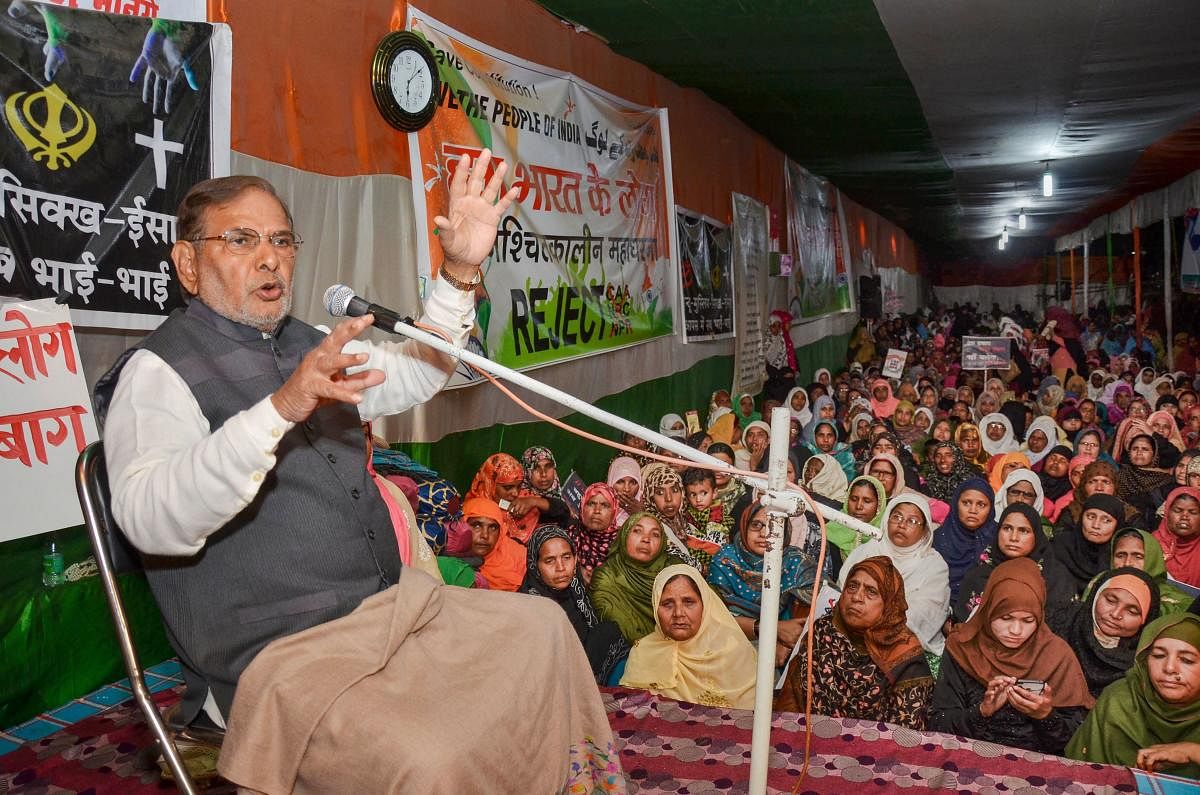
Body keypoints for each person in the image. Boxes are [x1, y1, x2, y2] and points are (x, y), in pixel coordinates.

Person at [97, 166, 618, 790]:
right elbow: (152, 521)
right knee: (430, 759)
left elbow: (419, 372)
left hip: (388, 612)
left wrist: (458, 274)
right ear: (187, 263)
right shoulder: (156, 374)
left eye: (282, 241)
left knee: (544, 630)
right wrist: (280, 409)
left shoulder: (309, 342)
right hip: (280, 659)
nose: (269, 259)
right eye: (241, 240)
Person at [929, 558, 1094, 755]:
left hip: (1036, 767)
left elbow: (1078, 743)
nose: (1016, 630)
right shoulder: (963, 647)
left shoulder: (1056, 657)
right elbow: (938, 724)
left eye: (1028, 620)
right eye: (1005, 618)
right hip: (968, 757)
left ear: (1039, 618)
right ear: (988, 610)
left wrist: (1045, 715)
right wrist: (981, 711)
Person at [775, 556, 934, 729]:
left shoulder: (905, 654)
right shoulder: (823, 631)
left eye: (871, 592)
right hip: (809, 741)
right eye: (852, 586)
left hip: (876, 751)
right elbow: (791, 702)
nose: (857, 597)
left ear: (889, 605)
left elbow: (906, 734)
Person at [1066, 613, 1200, 779]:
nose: (1169, 667)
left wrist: (1193, 752)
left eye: (1187, 660)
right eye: (1158, 655)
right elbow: (1082, 777)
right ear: (1144, 661)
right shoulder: (1121, 699)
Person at [620, 565, 758, 709]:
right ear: (655, 608)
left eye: (688, 602)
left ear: (705, 605)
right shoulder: (644, 652)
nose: (678, 613)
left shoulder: (733, 650)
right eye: (667, 604)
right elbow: (634, 715)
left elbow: (751, 716)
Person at [839, 493, 950, 656]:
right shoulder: (868, 550)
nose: (902, 525)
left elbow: (924, 614)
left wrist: (874, 622)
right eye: (896, 517)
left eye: (912, 521)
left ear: (925, 530)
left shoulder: (934, 566)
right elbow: (843, 591)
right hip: (851, 630)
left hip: (900, 642)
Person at [707, 502, 816, 667]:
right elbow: (713, 618)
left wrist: (787, 644)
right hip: (729, 643)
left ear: (785, 531)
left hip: (788, 648)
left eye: (774, 527)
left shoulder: (797, 563)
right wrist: (773, 630)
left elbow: (820, 610)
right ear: (744, 527)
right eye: (756, 525)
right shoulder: (725, 560)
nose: (764, 533)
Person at [520, 524, 630, 685]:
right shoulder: (528, 606)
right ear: (535, 565)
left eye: (566, 557)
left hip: (583, 666)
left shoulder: (576, 589)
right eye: (549, 560)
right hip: (551, 678)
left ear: (576, 558)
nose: (561, 567)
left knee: (607, 631)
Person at [1047, 567, 1159, 698]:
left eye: (1132, 611)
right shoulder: (1057, 622)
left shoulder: (1144, 663)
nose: (1116, 614)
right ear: (1095, 595)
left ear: (1145, 621)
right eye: (1111, 601)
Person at [953, 503, 1072, 623]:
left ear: (1036, 535)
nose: (1014, 537)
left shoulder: (1054, 577)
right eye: (1007, 528)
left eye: (1023, 531)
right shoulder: (980, 573)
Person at [590, 512, 679, 643]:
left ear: (662, 543)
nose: (646, 539)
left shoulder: (675, 568)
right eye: (637, 531)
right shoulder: (607, 575)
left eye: (655, 534)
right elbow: (618, 624)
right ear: (624, 535)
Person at [932, 478, 998, 602]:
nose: (973, 510)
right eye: (966, 503)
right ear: (956, 503)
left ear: (991, 508)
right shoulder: (939, 538)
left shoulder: (999, 539)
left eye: (981, 505)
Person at [1051, 493, 1126, 598]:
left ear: (1117, 525)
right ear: (1082, 517)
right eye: (1091, 517)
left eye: (1106, 520)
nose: (1096, 525)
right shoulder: (1058, 547)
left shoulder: (1121, 557)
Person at [568, 483, 622, 586]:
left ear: (614, 511)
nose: (597, 511)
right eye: (591, 504)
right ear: (582, 507)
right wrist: (576, 571)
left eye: (604, 505)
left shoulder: (622, 543)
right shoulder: (569, 536)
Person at [824, 475, 887, 556]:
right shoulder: (828, 534)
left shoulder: (885, 541)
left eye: (867, 501)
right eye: (854, 499)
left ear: (879, 505)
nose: (858, 506)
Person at [1154, 487, 1200, 588]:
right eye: (1178, 510)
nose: (1184, 516)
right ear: (1167, 513)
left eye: (1193, 512)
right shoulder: (1151, 544)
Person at [605, 455, 643, 527]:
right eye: (620, 482)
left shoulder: (647, 509)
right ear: (611, 481)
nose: (627, 489)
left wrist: (640, 515)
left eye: (633, 482)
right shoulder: (599, 507)